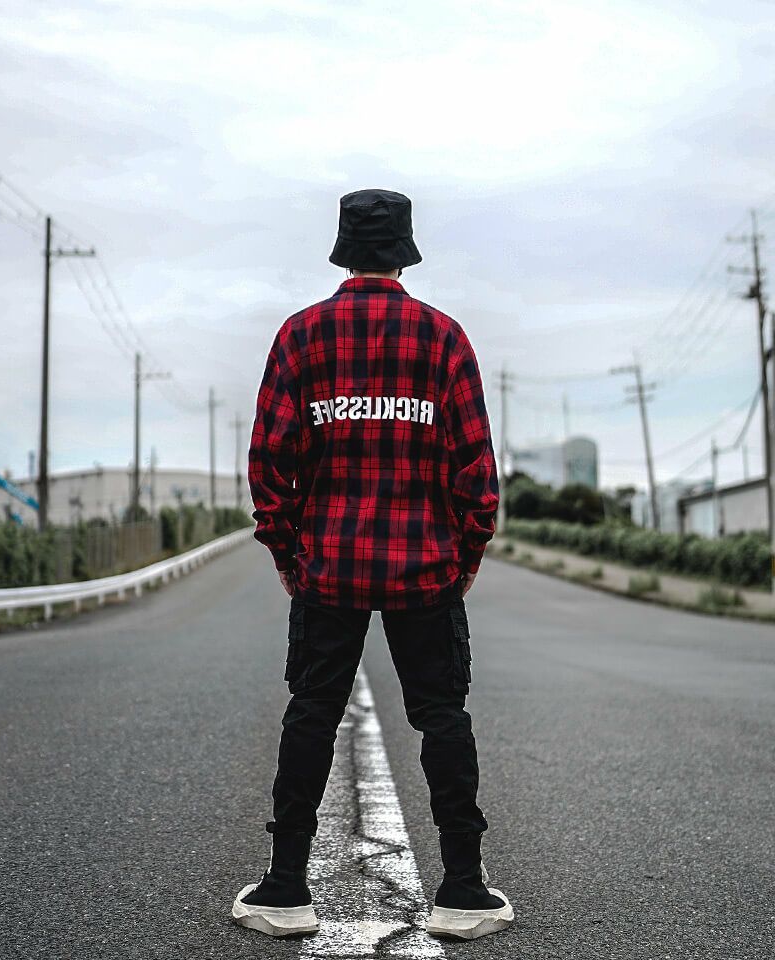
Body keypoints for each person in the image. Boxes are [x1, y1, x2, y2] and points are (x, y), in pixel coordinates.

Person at [232, 188, 513, 940]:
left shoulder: (300, 336)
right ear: (404, 254)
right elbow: (476, 466)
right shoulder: (443, 338)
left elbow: (268, 460)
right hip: (425, 568)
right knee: (441, 717)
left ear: (345, 251)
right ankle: (463, 889)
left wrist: (288, 550)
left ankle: (285, 887)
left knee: (312, 712)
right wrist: (466, 553)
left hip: (328, 567)